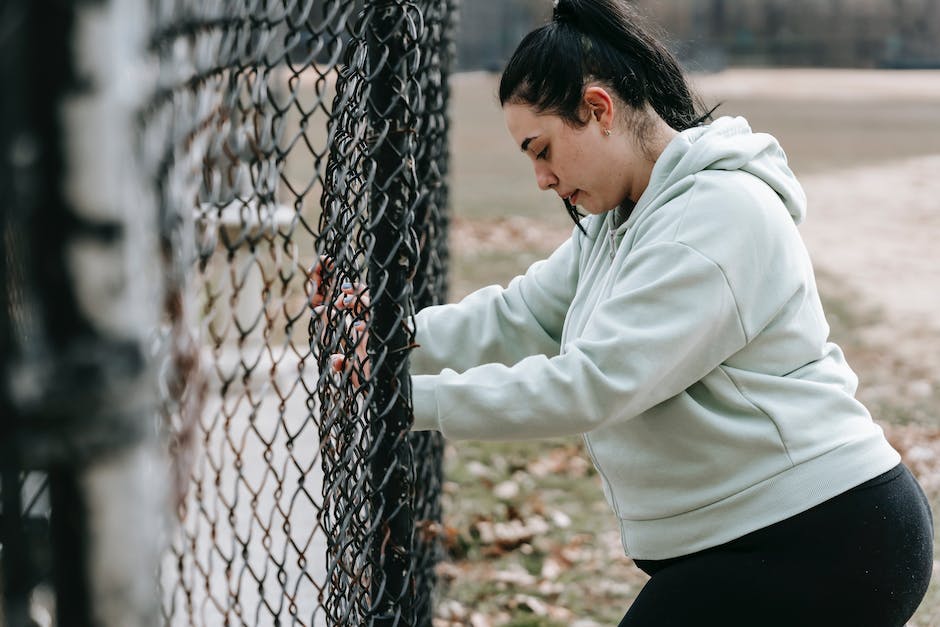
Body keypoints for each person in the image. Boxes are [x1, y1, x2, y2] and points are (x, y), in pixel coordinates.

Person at [310, 0, 933, 624]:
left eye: (543, 149)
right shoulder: (618, 220)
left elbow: (594, 383)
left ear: (599, 109)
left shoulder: (716, 217)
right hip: (747, 535)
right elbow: (520, 316)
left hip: (825, 534)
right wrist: (389, 336)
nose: (542, 179)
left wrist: (403, 401)